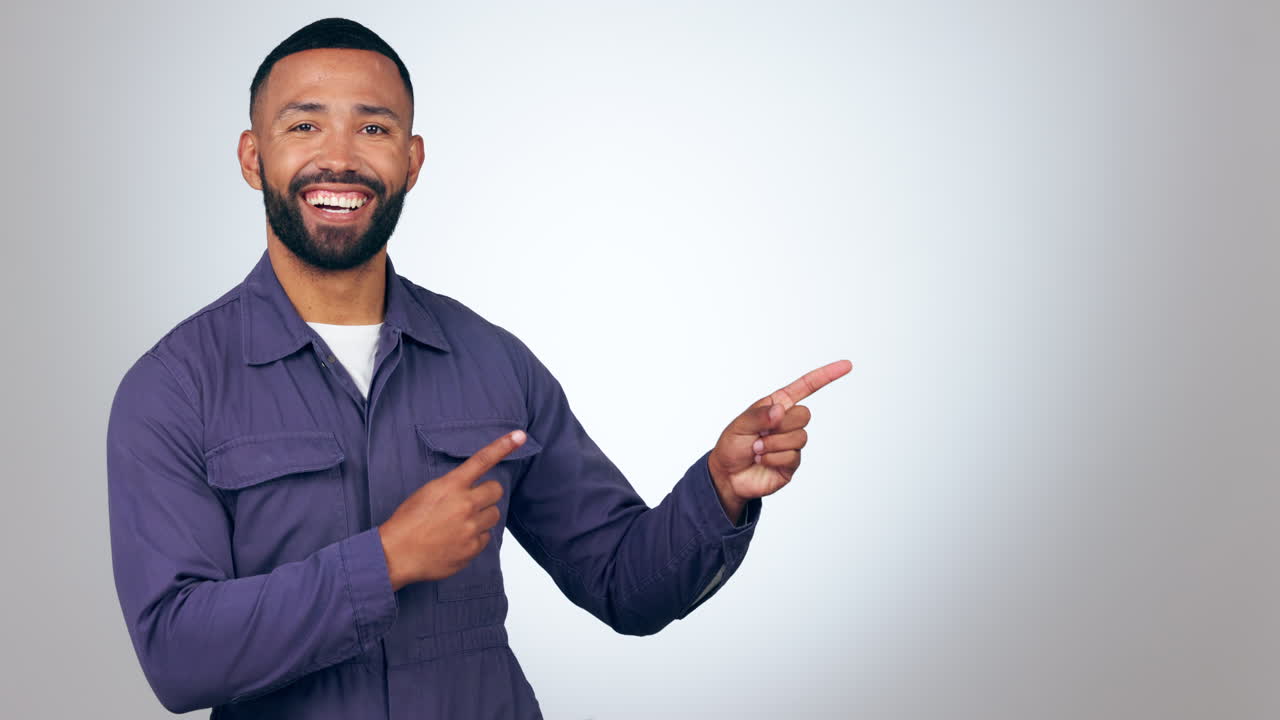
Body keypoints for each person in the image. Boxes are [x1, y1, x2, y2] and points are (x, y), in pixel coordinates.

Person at [106, 17, 850, 719]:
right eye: (304, 126)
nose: (339, 156)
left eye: (373, 127)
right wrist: (387, 559)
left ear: (412, 159)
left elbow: (624, 584)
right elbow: (177, 655)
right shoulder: (176, 388)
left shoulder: (493, 362)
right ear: (252, 157)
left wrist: (718, 492)